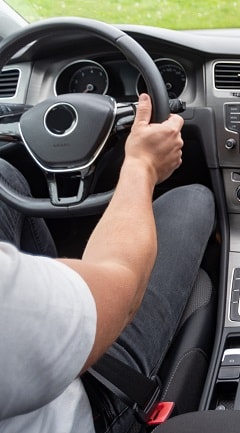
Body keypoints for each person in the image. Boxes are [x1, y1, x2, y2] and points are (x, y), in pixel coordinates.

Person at [0, 93, 216, 433]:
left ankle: (58, 292)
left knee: (5, 176)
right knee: (194, 199)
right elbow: (122, 283)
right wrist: (141, 166)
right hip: (93, 398)